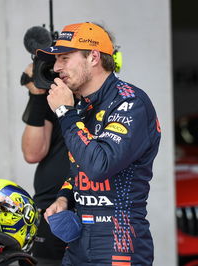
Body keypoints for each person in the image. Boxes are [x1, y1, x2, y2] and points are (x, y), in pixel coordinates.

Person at [38, 22, 161, 265]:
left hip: (119, 240)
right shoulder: (81, 106)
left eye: (64, 57)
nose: (56, 68)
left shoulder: (130, 102)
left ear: (93, 57)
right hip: (79, 241)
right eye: (55, 60)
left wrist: (65, 111)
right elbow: (80, 168)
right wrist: (64, 198)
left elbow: (99, 165)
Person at [21, 63, 69, 265]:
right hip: (49, 209)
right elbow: (32, 153)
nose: (61, 66)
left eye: (67, 58)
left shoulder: (108, 100)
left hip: (90, 209)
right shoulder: (54, 97)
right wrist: (38, 94)